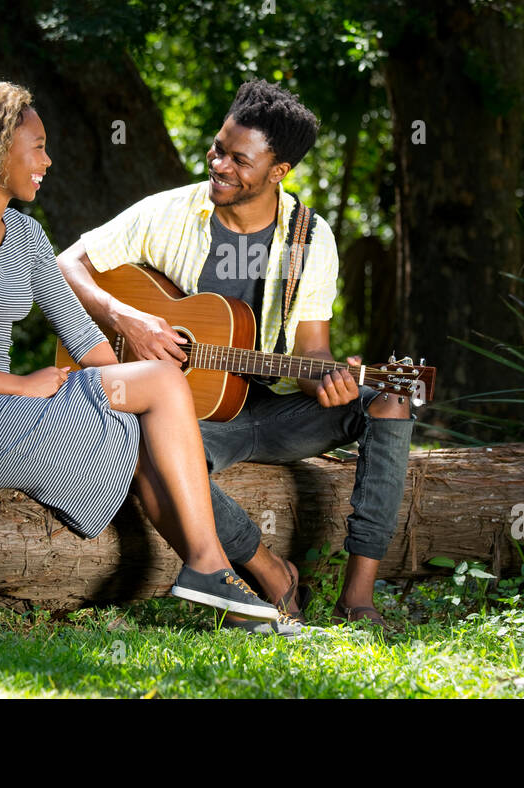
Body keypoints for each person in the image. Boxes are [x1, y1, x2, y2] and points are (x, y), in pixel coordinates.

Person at [0, 80, 280, 625]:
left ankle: (212, 574)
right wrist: (24, 385)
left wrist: (138, 395)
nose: (48, 159)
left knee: (154, 398)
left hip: (5, 410)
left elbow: (85, 339)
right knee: (157, 391)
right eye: (37, 146)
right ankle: (215, 571)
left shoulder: (25, 235)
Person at [58, 78, 416, 633]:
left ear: (279, 171)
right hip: (192, 419)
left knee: (389, 405)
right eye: (218, 148)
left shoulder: (310, 239)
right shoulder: (170, 212)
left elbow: (312, 352)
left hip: (269, 410)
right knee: (141, 458)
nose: (218, 163)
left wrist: (327, 380)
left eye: (237, 158)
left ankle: (358, 596)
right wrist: (123, 316)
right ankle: (272, 573)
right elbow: (65, 264)